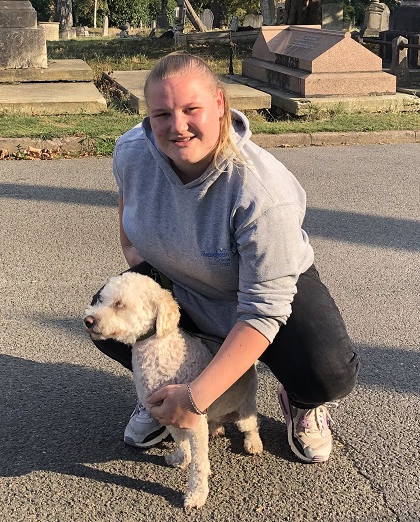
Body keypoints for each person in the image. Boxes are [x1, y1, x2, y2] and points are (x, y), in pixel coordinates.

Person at [89, 52, 359, 463]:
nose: (177, 127)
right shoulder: (131, 151)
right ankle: (162, 395)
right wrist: (147, 278)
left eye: (190, 109)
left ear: (219, 104)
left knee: (328, 372)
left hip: (261, 292)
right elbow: (130, 218)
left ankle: (300, 402)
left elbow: (262, 311)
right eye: (161, 114)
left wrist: (195, 400)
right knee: (107, 317)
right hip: (186, 282)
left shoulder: (263, 193)